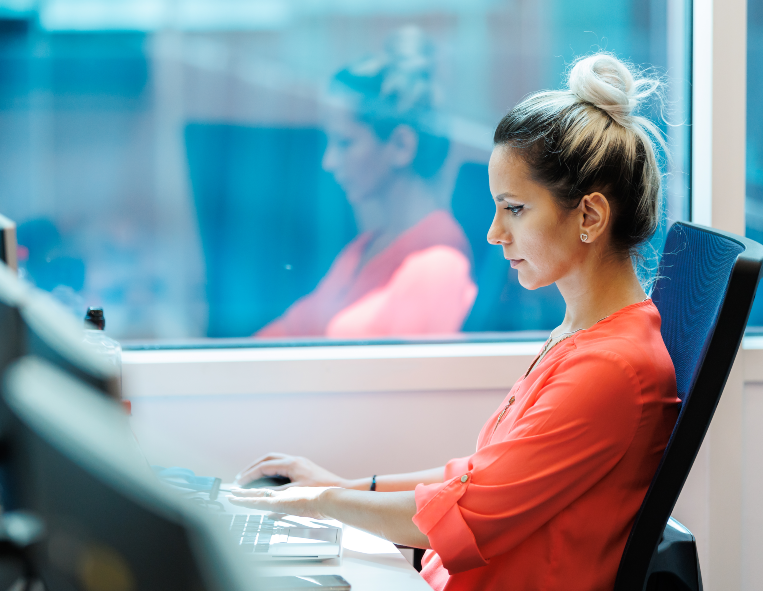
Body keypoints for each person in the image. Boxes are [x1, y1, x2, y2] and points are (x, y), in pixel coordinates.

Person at [230, 53, 681, 591]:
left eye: (513, 209)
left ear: (589, 216)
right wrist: (345, 486)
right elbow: (480, 477)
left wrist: (322, 502)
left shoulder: (613, 368)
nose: (493, 233)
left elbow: (468, 514)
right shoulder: (584, 338)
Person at [257, 27, 477, 338]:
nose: (329, 161)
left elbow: (409, 380)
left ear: (401, 145)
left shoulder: (437, 264)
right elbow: (290, 331)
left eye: (345, 143)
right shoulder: (363, 250)